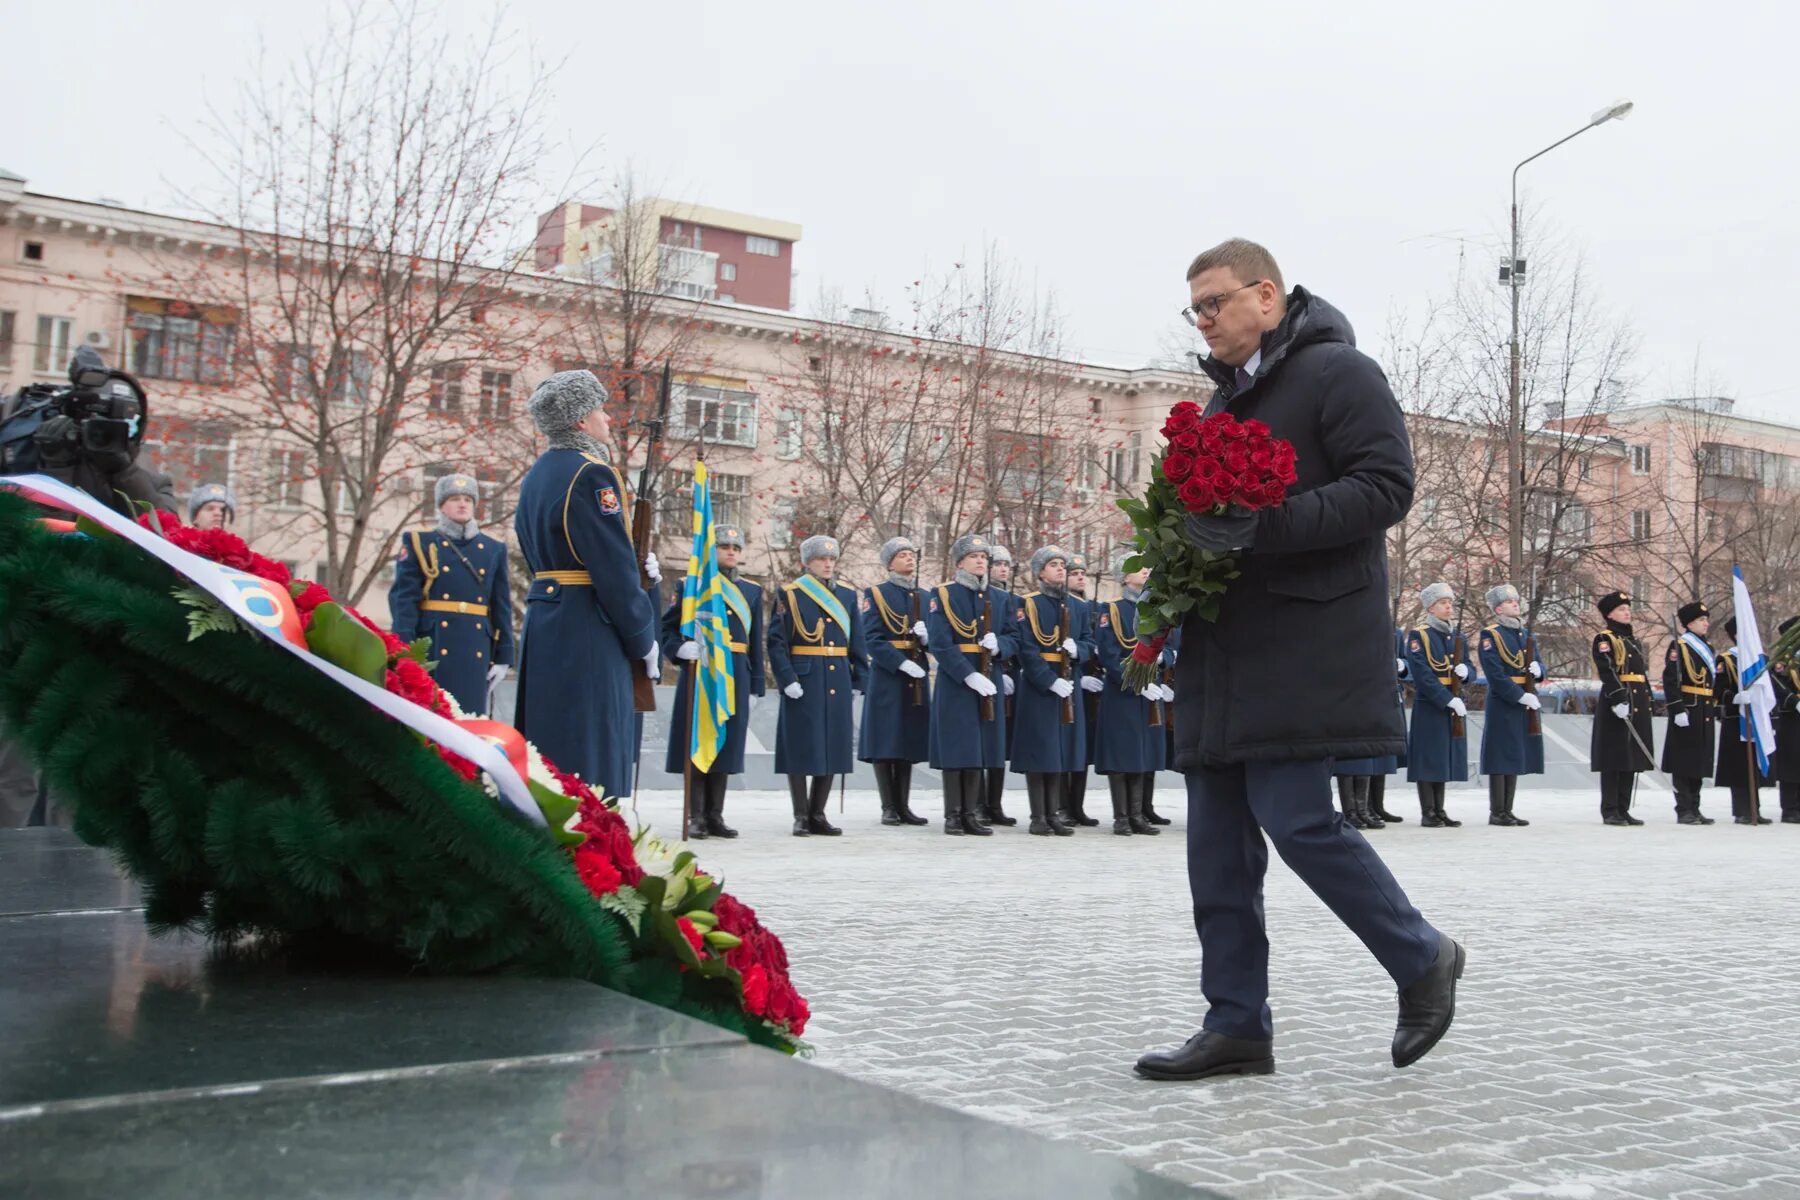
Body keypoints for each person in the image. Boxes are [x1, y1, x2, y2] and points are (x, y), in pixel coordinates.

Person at [1136, 240, 1461, 1082]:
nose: (1202, 322)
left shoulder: (1339, 374)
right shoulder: (1217, 409)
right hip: (1219, 651)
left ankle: (1422, 955)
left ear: (1268, 297)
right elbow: (1202, 523)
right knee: (1216, 847)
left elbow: (1387, 486)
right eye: (1194, 309)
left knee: (1299, 820)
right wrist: (1171, 568)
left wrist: (1262, 525)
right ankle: (1236, 1022)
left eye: (1214, 303)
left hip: (1301, 643)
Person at [513, 371, 659, 799]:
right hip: (589, 625)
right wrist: (643, 636)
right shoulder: (591, 474)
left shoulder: (538, 473)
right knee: (591, 757)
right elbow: (611, 568)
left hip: (547, 619)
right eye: (599, 409)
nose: (607, 418)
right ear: (579, 421)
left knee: (549, 752)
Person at [661, 525, 763, 840]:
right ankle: (696, 816)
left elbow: (754, 640)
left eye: (736, 547)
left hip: (736, 672)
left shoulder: (751, 590)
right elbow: (667, 628)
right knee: (698, 740)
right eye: (724, 546)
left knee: (727, 744)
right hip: (702, 670)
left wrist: (756, 684)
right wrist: (679, 649)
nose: (731, 551)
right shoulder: (691, 584)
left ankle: (715, 815)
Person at [389, 473, 516, 718]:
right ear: (441, 505)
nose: (462, 504)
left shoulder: (493, 549)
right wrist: (404, 648)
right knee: (434, 720)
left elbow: (501, 605)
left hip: (476, 648)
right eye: (454, 499)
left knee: (471, 721)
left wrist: (504, 656)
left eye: (468, 499)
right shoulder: (420, 542)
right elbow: (404, 601)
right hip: (434, 645)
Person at [767, 535, 866, 837]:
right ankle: (800, 814)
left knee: (833, 746)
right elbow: (776, 641)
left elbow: (857, 642)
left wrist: (860, 679)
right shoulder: (790, 594)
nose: (827, 564)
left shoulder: (847, 596)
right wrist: (786, 679)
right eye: (821, 559)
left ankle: (818, 812)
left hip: (837, 677)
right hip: (804, 678)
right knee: (800, 746)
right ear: (807, 563)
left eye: (831, 559)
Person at [925, 534, 1016, 836]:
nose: (981, 561)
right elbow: (940, 642)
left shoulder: (1000, 598)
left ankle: (972, 812)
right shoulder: (943, 594)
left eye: (984, 557)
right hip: (957, 681)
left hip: (989, 676)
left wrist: (1000, 645)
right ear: (960, 561)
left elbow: (1015, 637)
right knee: (957, 747)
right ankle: (953, 814)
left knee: (980, 747)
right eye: (974, 556)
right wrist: (968, 674)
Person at [1011, 547, 1089, 836]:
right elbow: (1027, 648)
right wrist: (1047, 680)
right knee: (1040, 751)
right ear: (1040, 572)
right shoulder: (1027, 604)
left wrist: (1078, 649)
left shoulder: (1079, 607)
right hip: (1040, 687)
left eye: (1062, 565)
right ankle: (1038, 815)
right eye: (1053, 565)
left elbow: (1089, 642)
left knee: (1060, 752)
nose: (1059, 569)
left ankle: (1054, 813)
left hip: (1068, 683)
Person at [859, 536, 932, 827]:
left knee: (908, 741)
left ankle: (904, 805)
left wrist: (927, 639)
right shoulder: (875, 593)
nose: (909, 558)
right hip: (889, 675)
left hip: (917, 672)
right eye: (902, 555)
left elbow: (938, 637)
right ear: (890, 562)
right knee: (885, 740)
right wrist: (900, 662)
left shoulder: (925, 597)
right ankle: (888, 805)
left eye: (912, 554)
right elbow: (872, 638)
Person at [1093, 557, 1166, 835]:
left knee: (1141, 753)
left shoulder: (1156, 608)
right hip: (1123, 691)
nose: (1146, 570)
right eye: (1138, 568)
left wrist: (1163, 661)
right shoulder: (1110, 610)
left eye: (1147, 567)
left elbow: (1169, 644)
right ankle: (1122, 816)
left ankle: (1138, 815)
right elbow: (1110, 655)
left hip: (1150, 690)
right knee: (1121, 754)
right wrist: (1136, 683)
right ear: (1124, 578)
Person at [1476, 584, 1543, 827]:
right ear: (1497, 609)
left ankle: (1508, 809)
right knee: (1500, 756)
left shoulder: (1525, 635)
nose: (1515, 604)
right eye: (1509, 601)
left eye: (1516, 600)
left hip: (1523, 698)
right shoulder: (1490, 635)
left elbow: (1538, 663)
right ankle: (1497, 811)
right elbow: (1495, 674)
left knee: (1515, 754)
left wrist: (1539, 671)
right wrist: (1518, 696)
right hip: (1504, 701)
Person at [1405, 582, 1470, 828]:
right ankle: (1428, 811)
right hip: (1430, 703)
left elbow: (1467, 667)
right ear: (1431, 608)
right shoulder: (1419, 635)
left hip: (1451, 701)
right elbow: (1421, 674)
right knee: (1428, 758)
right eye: (1443, 603)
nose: (1448, 607)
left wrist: (1466, 673)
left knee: (1442, 758)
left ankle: (1440, 810)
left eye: (1450, 603)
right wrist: (1447, 699)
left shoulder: (1457, 637)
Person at [1591, 591, 1655, 826]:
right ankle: (1610, 810)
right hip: (1617, 701)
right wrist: (1618, 698)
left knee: (1631, 758)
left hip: (1636, 701)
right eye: (1621, 609)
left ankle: (1623, 807)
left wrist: (1647, 698)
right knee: (1614, 758)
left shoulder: (1632, 640)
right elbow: (1607, 670)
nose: (1627, 612)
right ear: (1609, 614)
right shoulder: (1605, 639)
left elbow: (1641, 674)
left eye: (1628, 608)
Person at [1660, 601, 1718, 825]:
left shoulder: (1708, 648)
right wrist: (1677, 708)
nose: (1706, 623)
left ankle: (1695, 806)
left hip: (1704, 708)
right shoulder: (1680, 646)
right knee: (1684, 761)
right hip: (1688, 708)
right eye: (1702, 620)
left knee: (1699, 760)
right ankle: (1684, 809)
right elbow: (1671, 680)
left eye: (1706, 619)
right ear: (1690, 623)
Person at [1713, 615, 1772, 825]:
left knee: (1754, 766)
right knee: (1739, 766)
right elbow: (1718, 690)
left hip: (1756, 718)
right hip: (1735, 719)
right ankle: (1742, 810)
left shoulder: (1758, 659)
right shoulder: (1726, 660)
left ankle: (1755, 808)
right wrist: (1733, 698)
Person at [1064, 553, 1104, 826]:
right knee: (1063, 747)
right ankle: (1060, 806)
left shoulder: (1093, 608)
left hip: (1091, 684)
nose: (1081, 577)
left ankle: (1076, 806)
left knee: (1082, 749)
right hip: (1069, 679)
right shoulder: (1060, 606)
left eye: (1083, 573)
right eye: (1075, 573)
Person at [983, 544, 1020, 827]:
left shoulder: (1011, 600)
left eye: (1007, 564)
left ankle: (994, 803)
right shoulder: (982, 596)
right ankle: (976, 802)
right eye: (998, 564)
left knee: (997, 744)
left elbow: (1015, 638)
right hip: (986, 674)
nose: (1003, 569)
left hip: (1004, 675)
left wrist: (1008, 668)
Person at [1773, 616, 1800, 824]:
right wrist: (1793, 701)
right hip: (1791, 718)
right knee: (1791, 763)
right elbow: (1778, 686)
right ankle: (1789, 808)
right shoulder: (1782, 660)